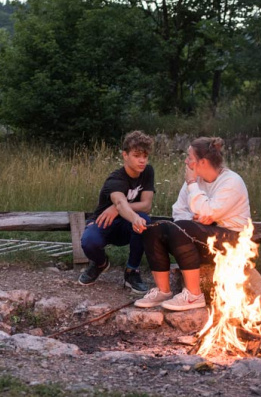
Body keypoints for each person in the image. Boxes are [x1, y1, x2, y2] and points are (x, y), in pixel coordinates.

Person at [135, 136, 251, 311]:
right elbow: (179, 211)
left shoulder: (231, 181)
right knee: (153, 229)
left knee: (181, 229)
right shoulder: (194, 182)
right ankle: (163, 290)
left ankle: (193, 295)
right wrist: (197, 218)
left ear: (202, 162)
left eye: (189, 157)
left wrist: (193, 189)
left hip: (231, 242)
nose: (186, 161)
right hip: (201, 238)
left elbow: (208, 212)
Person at [78, 131, 155, 292]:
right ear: (125, 155)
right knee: (89, 241)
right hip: (105, 222)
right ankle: (100, 264)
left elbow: (146, 204)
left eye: (145, 156)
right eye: (136, 155)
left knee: (144, 221)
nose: (142, 160)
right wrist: (119, 208)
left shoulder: (147, 171)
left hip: (127, 225)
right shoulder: (115, 179)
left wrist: (118, 209)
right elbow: (120, 201)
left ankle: (131, 271)